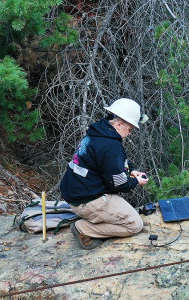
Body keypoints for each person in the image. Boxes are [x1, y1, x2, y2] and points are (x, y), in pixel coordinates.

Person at [60, 98, 149, 249]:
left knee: (124, 213)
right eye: (130, 129)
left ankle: (91, 220)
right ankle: (83, 228)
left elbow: (114, 163)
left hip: (78, 192)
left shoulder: (98, 133)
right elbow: (119, 184)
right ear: (119, 124)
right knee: (135, 225)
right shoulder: (110, 146)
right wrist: (136, 181)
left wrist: (132, 170)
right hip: (88, 200)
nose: (129, 134)